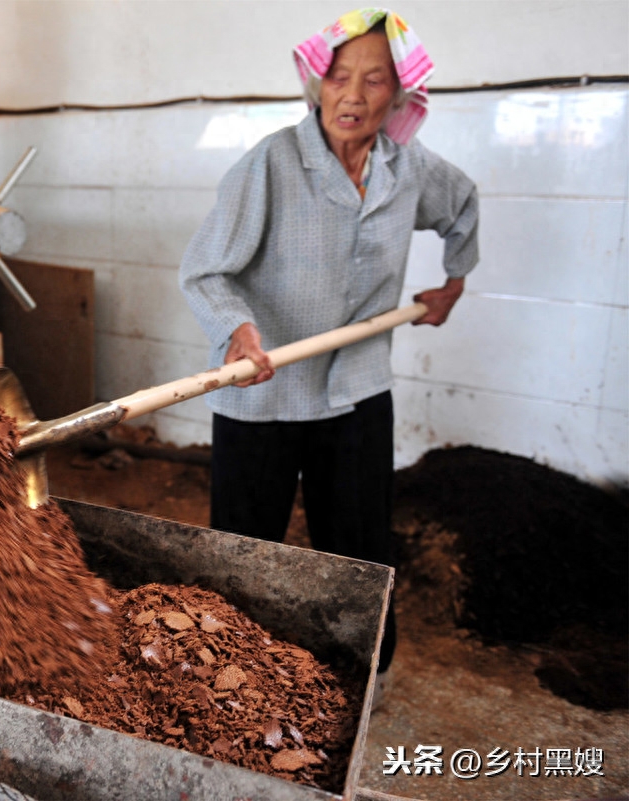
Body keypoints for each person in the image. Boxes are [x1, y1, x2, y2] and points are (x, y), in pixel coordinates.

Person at [178, 8, 478, 680]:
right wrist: (237, 328)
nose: (354, 95)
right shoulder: (272, 164)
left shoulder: (409, 168)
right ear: (316, 84)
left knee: (359, 551)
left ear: (400, 96)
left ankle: (357, 679)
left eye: (375, 81)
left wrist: (453, 282)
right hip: (265, 388)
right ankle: (229, 680)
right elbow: (204, 269)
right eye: (340, 77)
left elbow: (462, 205)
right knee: (244, 550)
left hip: (356, 393)